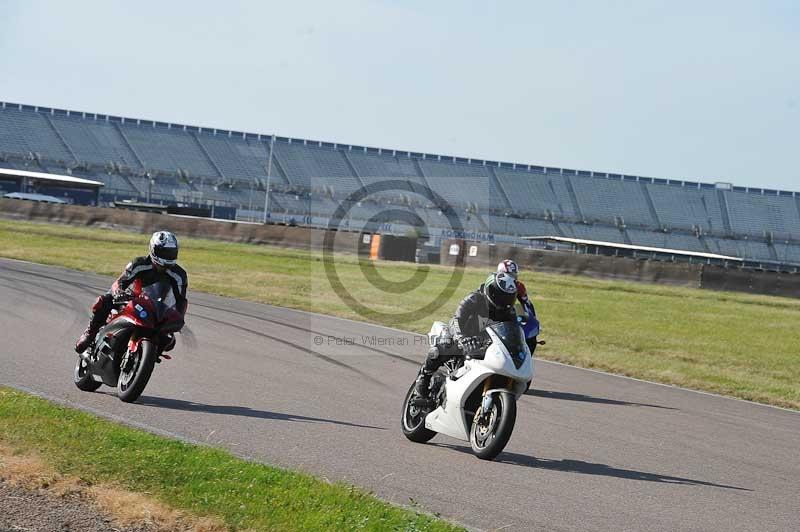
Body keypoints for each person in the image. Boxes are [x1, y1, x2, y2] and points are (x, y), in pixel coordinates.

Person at [412, 272, 518, 405]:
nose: (503, 301)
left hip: (485, 346)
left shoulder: (510, 312)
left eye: (507, 298)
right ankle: (423, 379)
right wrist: (462, 338)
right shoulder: (475, 298)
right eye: (501, 296)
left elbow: (513, 333)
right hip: (462, 337)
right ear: (492, 292)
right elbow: (456, 320)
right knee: (444, 344)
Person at [74, 231, 188, 353]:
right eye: (165, 252)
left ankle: (147, 355)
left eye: (171, 253)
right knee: (103, 301)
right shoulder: (139, 264)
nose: (168, 256)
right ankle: (90, 333)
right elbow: (120, 282)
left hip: (157, 310)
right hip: (132, 301)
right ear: (153, 250)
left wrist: (178, 317)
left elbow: (181, 300)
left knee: (169, 341)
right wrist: (118, 292)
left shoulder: (179, 275)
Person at [497, 259, 539, 351]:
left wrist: (532, 320)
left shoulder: (519, 286)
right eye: (510, 275)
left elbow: (526, 303)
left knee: (526, 326)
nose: (513, 278)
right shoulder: (494, 285)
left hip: (511, 309)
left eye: (514, 275)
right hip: (495, 310)